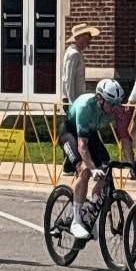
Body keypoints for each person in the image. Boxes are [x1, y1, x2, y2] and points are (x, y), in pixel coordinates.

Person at [64, 77, 125, 240]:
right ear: (99, 99)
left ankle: (89, 212)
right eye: (111, 104)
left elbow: (125, 138)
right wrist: (92, 168)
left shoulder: (117, 110)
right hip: (70, 133)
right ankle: (76, 220)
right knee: (84, 170)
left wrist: (132, 164)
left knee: (106, 168)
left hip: (89, 134)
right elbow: (82, 146)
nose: (115, 108)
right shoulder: (86, 107)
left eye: (118, 103)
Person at [59, 23, 98, 173]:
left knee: (74, 131)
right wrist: (70, 101)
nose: (89, 42)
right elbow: (67, 79)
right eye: (87, 38)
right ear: (79, 38)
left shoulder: (76, 53)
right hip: (72, 100)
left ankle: (71, 163)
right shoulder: (73, 54)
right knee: (71, 132)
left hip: (76, 99)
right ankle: (69, 164)